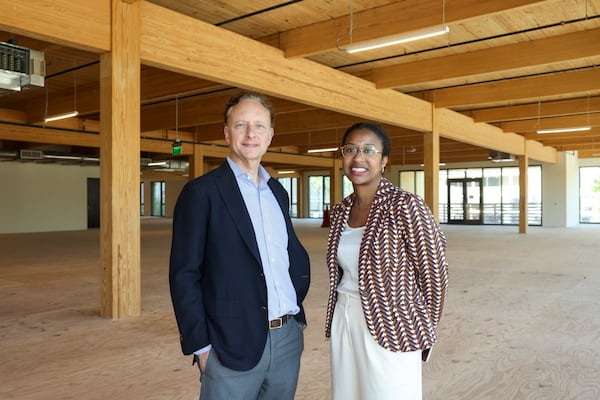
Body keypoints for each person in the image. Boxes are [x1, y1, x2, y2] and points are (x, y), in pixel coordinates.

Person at [169, 91, 311, 400]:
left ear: (270, 135)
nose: (251, 134)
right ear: (226, 132)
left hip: (286, 339)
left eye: (259, 126)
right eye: (241, 125)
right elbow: (184, 275)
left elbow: (286, 255)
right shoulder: (201, 193)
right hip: (228, 345)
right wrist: (201, 347)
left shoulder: (277, 192)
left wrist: (297, 318)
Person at [324, 122, 449, 400]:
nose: (359, 158)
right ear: (342, 156)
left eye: (369, 150)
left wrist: (419, 328)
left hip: (393, 325)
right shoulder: (341, 210)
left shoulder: (406, 205)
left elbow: (435, 276)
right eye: (351, 149)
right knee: (347, 394)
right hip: (345, 319)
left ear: (384, 161)